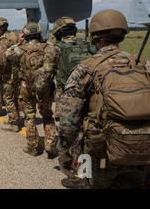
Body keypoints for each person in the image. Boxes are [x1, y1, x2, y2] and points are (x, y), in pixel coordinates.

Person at [58, 9, 150, 189]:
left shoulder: (85, 70)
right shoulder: (147, 66)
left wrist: (67, 151)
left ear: (95, 36)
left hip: (101, 156)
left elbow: (68, 123)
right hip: (145, 150)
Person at [6, 22, 60, 156]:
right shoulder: (50, 48)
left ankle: (33, 146)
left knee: (29, 116)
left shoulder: (20, 49)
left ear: (25, 35)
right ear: (39, 34)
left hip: (26, 87)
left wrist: (18, 43)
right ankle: (50, 143)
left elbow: (7, 54)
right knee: (47, 115)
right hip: (45, 88)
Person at [52, 17, 96, 180]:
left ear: (58, 33)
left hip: (67, 96)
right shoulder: (88, 46)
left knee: (68, 132)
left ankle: (75, 171)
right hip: (90, 95)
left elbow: (46, 74)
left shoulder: (55, 48)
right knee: (86, 132)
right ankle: (87, 170)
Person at [0, 18, 20, 132]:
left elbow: (2, 60)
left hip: (8, 73)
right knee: (14, 96)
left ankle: (13, 122)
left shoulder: (4, 40)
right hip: (16, 71)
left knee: (8, 97)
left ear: (3, 27)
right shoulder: (13, 37)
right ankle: (15, 117)